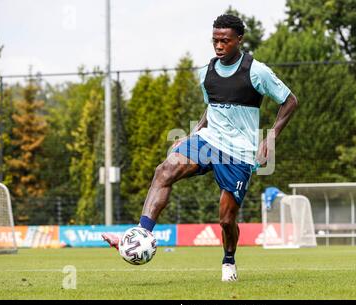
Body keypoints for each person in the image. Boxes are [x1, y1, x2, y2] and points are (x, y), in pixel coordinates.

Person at [102, 14, 298, 282]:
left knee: (227, 220)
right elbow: (212, 107)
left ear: (239, 40)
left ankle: (229, 260)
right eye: (215, 40)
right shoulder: (206, 71)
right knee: (165, 170)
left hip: (238, 152)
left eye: (225, 41)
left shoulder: (256, 71)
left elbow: (289, 101)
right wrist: (191, 135)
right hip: (209, 140)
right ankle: (142, 233)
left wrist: (271, 136)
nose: (219, 46)